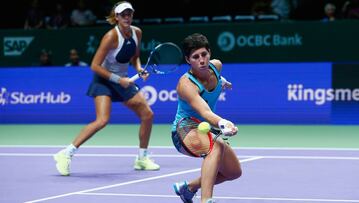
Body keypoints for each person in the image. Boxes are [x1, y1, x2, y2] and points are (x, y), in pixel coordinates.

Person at [54, 1, 160, 176]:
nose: (127, 17)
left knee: (147, 114)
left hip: (123, 80)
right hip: (104, 80)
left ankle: (142, 158)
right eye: (123, 14)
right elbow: (94, 66)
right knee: (102, 120)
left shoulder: (137, 33)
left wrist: (139, 68)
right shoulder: (110, 37)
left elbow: (135, 57)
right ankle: (66, 153)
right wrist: (118, 79)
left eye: (129, 14)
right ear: (116, 17)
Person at [171, 33, 242, 203]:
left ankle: (188, 188)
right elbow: (204, 111)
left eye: (204, 54)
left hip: (206, 129)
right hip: (184, 129)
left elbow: (214, 76)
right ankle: (206, 200)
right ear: (188, 60)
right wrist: (222, 122)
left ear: (209, 53)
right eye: (196, 57)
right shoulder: (186, 84)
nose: (201, 60)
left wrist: (222, 81)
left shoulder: (216, 66)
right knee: (215, 147)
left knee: (234, 172)